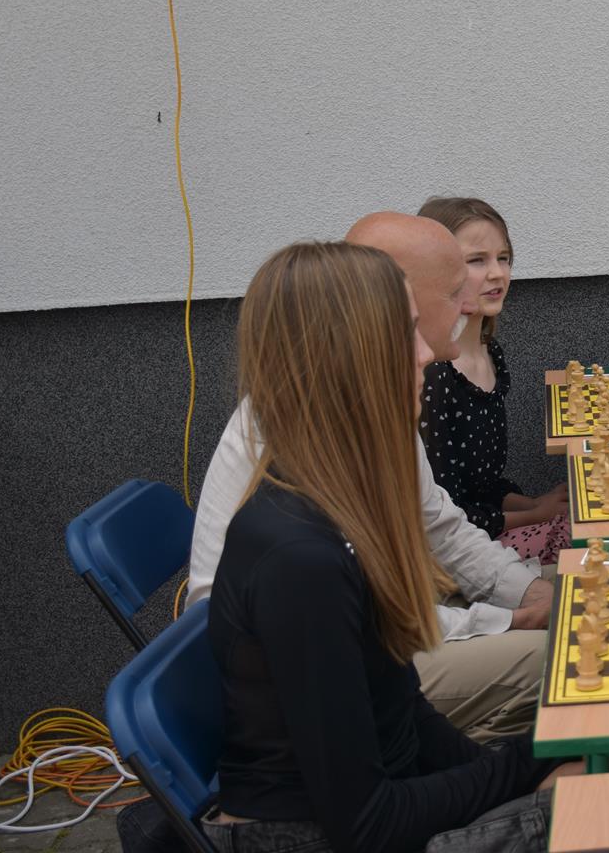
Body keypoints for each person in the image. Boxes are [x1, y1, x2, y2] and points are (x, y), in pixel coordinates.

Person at [207, 241, 552, 853]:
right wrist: (533, 770)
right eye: (405, 335)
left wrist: (528, 770)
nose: (426, 354)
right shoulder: (301, 560)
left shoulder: (345, 497)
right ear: (347, 361)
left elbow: (406, 718)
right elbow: (366, 823)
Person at [415, 196, 570, 563]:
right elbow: (444, 513)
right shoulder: (434, 375)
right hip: (460, 551)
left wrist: (534, 503)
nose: (497, 273)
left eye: (503, 258)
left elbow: (484, 484)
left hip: (491, 526)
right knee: (583, 537)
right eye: (476, 261)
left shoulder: (490, 352)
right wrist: (536, 514)